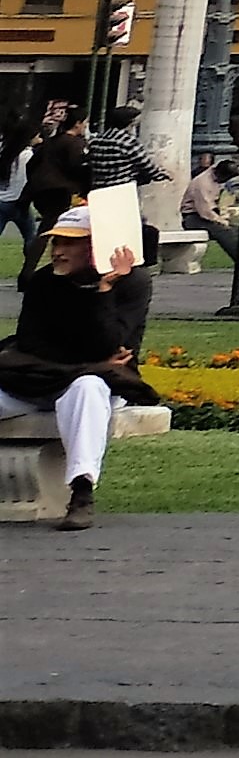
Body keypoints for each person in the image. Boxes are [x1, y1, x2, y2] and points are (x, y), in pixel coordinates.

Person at [2, 204, 151, 528]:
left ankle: (82, 493)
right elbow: (30, 342)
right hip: (39, 379)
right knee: (85, 378)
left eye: (69, 243)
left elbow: (112, 343)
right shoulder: (44, 282)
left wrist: (104, 289)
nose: (58, 251)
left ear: (94, 247)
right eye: (56, 243)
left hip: (92, 385)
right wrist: (90, 362)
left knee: (88, 388)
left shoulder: (133, 282)